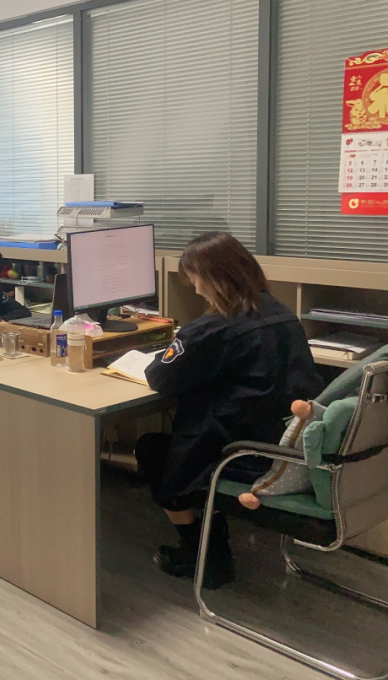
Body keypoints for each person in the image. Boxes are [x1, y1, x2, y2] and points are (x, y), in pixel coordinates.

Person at [135, 232, 323, 588]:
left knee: (152, 450)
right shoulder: (283, 314)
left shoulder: (210, 328)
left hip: (239, 455)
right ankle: (211, 534)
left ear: (214, 278)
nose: (194, 288)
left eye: (195, 279)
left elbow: (159, 377)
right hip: (282, 447)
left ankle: (203, 554)